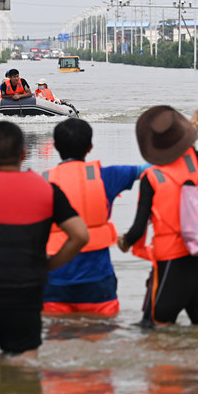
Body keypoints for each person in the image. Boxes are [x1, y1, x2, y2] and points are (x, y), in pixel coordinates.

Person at [0, 121, 88, 361]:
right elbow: (80, 236)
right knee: (24, 369)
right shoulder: (48, 191)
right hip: (25, 297)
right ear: (24, 154)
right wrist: (49, 264)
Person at [117, 105, 198, 327]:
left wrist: (125, 242)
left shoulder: (151, 177)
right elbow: (190, 151)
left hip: (171, 266)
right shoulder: (193, 168)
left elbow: (138, 228)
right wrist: (195, 119)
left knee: (151, 331)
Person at [42, 118, 149, 315]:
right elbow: (151, 168)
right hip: (97, 281)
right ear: (90, 147)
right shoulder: (108, 176)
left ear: (55, 146)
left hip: (54, 281)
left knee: (56, 338)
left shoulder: (42, 182)